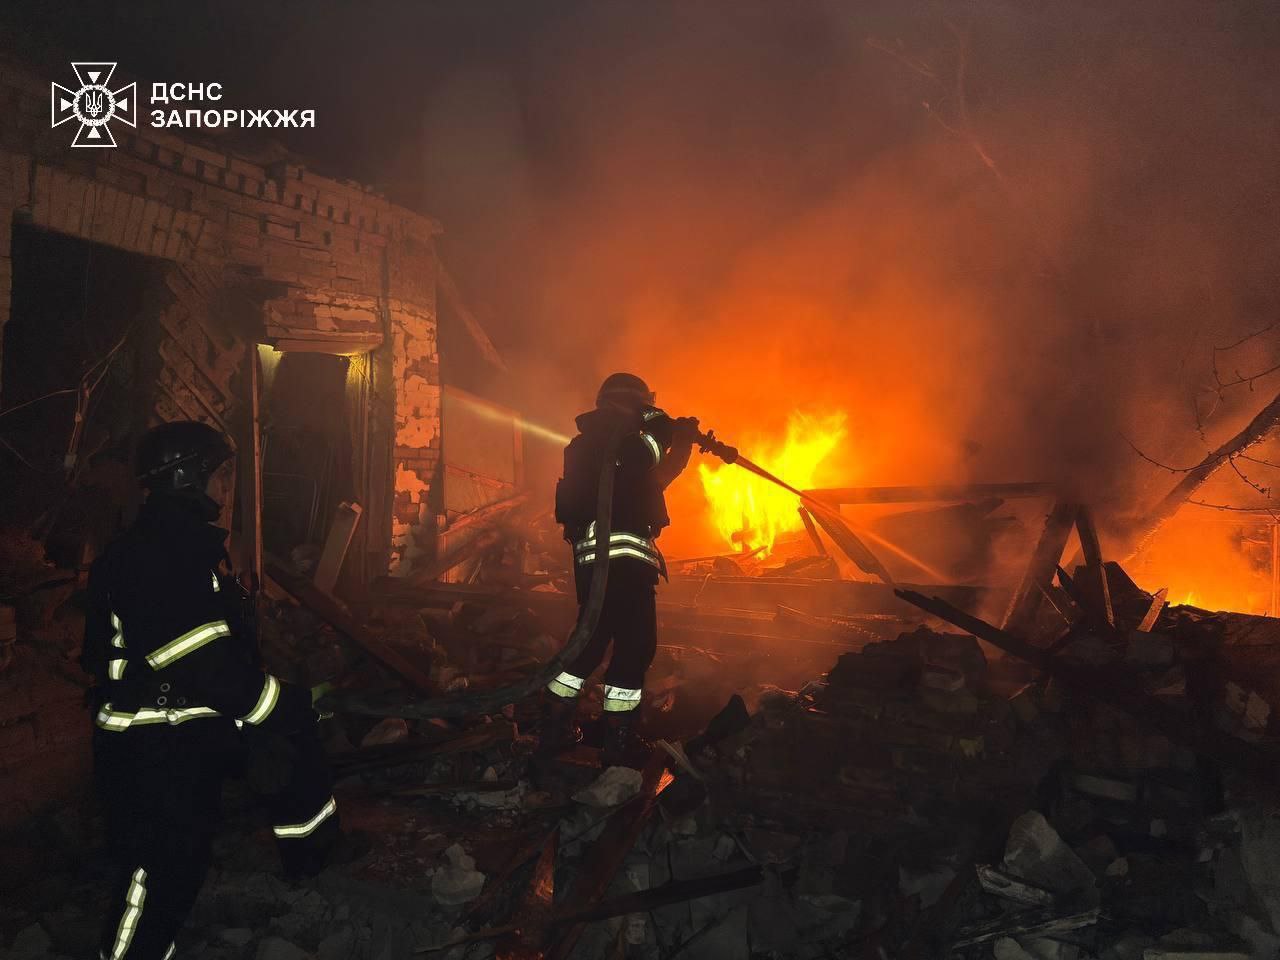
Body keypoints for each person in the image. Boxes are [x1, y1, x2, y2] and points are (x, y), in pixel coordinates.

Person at [81, 420, 338, 960]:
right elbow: (205, 669)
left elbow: (218, 662)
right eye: (221, 474)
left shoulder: (184, 548)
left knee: (291, 751)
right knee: (165, 869)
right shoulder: (157, 556)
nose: (227, 487)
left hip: (188, 727)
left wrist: (281, 712)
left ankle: (312, 865)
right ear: (187, 477)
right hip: (152, 741)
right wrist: (286, 704)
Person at [543, 373, 700, 766]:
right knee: (635, 647)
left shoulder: (591, 446)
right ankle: (618, 740)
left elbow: (656, 479)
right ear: (634, 404)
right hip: (623, 564)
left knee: (589, 644)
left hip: (596, 566)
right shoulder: (617, 442)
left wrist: (682, 444)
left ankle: (555, 725)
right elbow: (646, 454)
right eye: (644, 406)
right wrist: (663, 423)